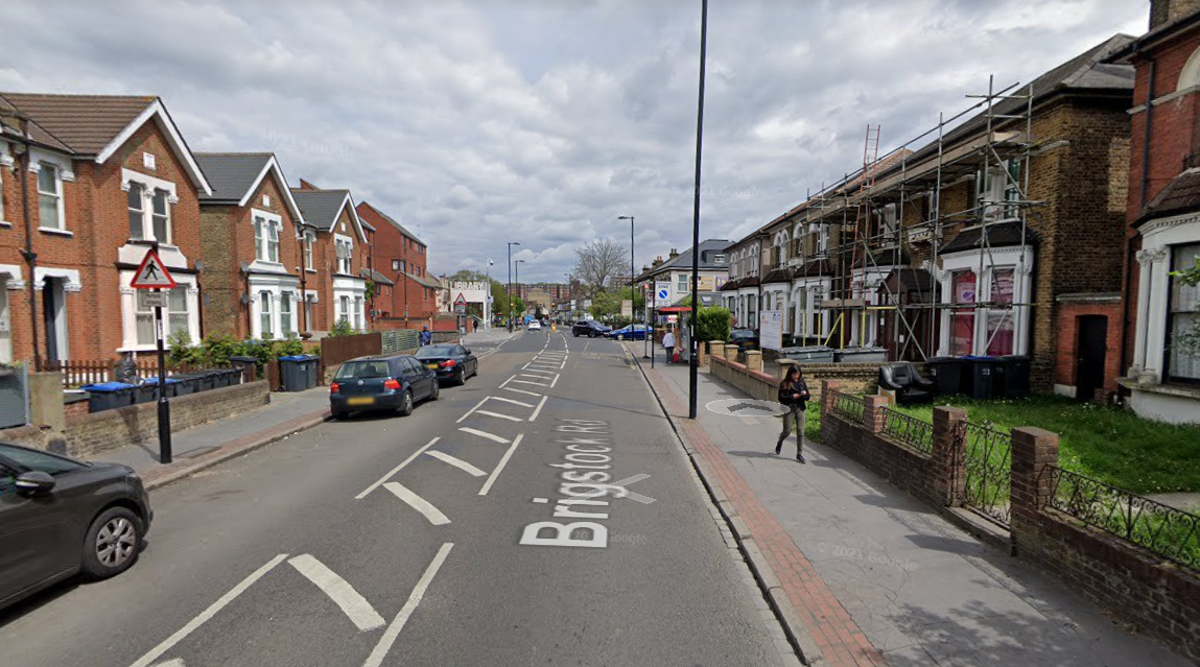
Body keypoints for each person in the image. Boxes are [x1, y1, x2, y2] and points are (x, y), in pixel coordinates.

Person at [776, 366, 810, 463]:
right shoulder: (784, 384)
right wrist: (792, 396)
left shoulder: (801, 382)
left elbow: (808, 396)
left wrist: (804, 394)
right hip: (789, 408)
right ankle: (780, 441)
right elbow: (781, 398)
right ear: (790, 373)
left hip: (800, 408)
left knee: (801, 430)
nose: (796, 376)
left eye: (798, 374)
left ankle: (799, 454)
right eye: (795, 374)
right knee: (787, 431)